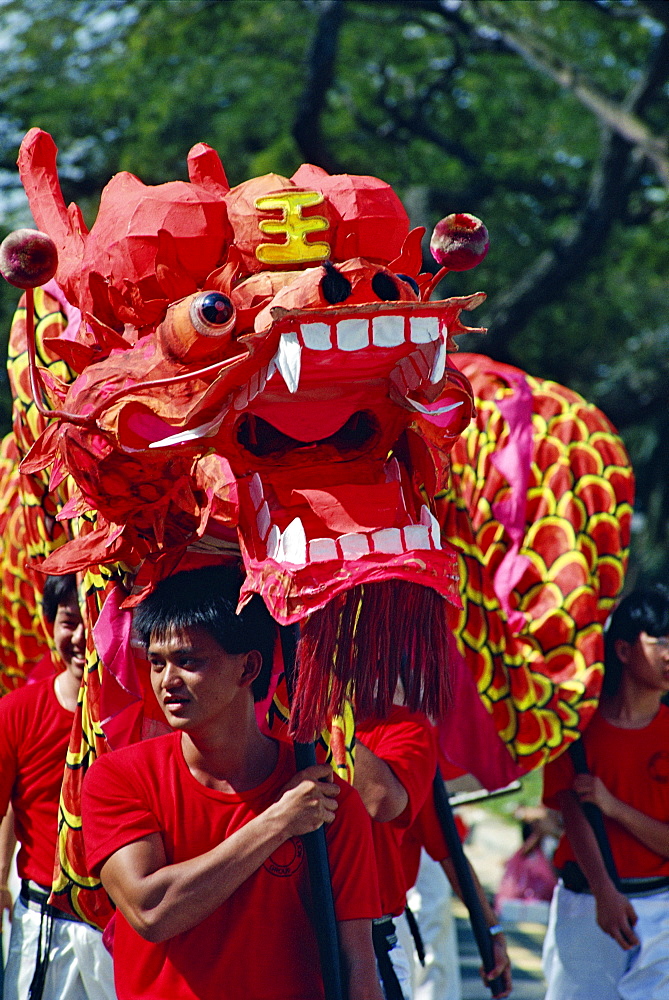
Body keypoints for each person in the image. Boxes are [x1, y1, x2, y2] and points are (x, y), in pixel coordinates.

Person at [81, 564, 384, 1000]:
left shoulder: (328, 801)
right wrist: (276, 823)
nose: (168, 681)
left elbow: (358, 964)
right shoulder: (119, 778)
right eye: (157, 663)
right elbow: (150, 910)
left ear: (248, 668)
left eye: (188, 661)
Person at [542, 586, 669, 1000]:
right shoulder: (577, 728)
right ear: (622, 651)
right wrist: (604, 893)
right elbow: (572, 816)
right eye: (660, 641)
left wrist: (614, 808)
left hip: (660, 911)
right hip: (585, 908)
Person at [0, 573, 116, 1000]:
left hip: (120, 929)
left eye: (94, 620)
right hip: (43, 924)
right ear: (50, 625)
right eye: (70, 622)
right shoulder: (15, 713)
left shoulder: (139, 717)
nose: (82, 637)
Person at [401, 776, 512, 999]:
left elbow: (449, 853)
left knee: (432, 935)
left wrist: (491, 928)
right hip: (344, 927)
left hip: (383, 927)